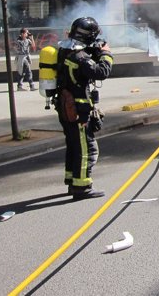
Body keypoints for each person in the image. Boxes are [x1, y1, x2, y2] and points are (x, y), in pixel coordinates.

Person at [55, 17, 113, 200]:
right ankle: (82, 188)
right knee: (86, 148)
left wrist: (93, 51)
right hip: (78, 110)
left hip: (64, 106)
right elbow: (100, 72)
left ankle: (72, 181)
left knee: (73, 145)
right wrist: (106, 55)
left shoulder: (64, 50)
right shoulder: (80, 57)